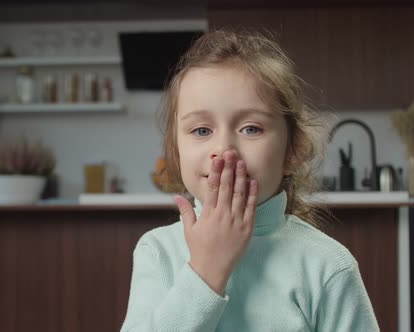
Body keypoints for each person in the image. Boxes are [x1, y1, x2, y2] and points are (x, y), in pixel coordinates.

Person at [121, 29, 379, 331]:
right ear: (176, 152)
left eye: (251, 128)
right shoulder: (157, 251)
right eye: (202, 130)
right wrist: (206, 271)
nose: (224, 150)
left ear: (293, 150)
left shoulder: (329, 265)